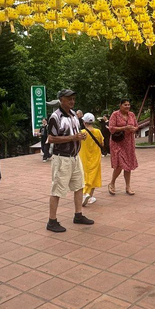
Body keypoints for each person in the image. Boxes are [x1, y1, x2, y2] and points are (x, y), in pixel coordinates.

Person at [45, 89, 94, 232]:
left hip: (74, 157)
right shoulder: (55, 117)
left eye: (73, 98)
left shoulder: (73, 115)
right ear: (61, 99)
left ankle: (78, 215)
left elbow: (75, 134)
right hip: (62, 159)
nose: (72, 101)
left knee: (79, 186)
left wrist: (80, 136)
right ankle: (52, 221)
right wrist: (73, 138)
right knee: (57, 189)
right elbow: (51, 138)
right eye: (69, 99)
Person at [108, 98, 139, 195]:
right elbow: (111, 128)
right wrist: (124, 128)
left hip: (129, 143)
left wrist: (134, 129)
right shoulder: (115, 115)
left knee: (128, 165)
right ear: (120, 105)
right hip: (117, 143)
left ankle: (128, 186)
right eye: (125, 105)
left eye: (128, 105)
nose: (127, 106)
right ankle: (112, 183)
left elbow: (136, 125)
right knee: (120, 164)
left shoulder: (132, 114)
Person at [79, 113, 103, 206]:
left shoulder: (81, 132)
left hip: (83, 157)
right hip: (95, 157)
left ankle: (84, 194)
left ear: (84, 122)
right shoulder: (98, 132)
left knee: (84, 176)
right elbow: (102, 143)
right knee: (94, 176)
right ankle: (89, 195)